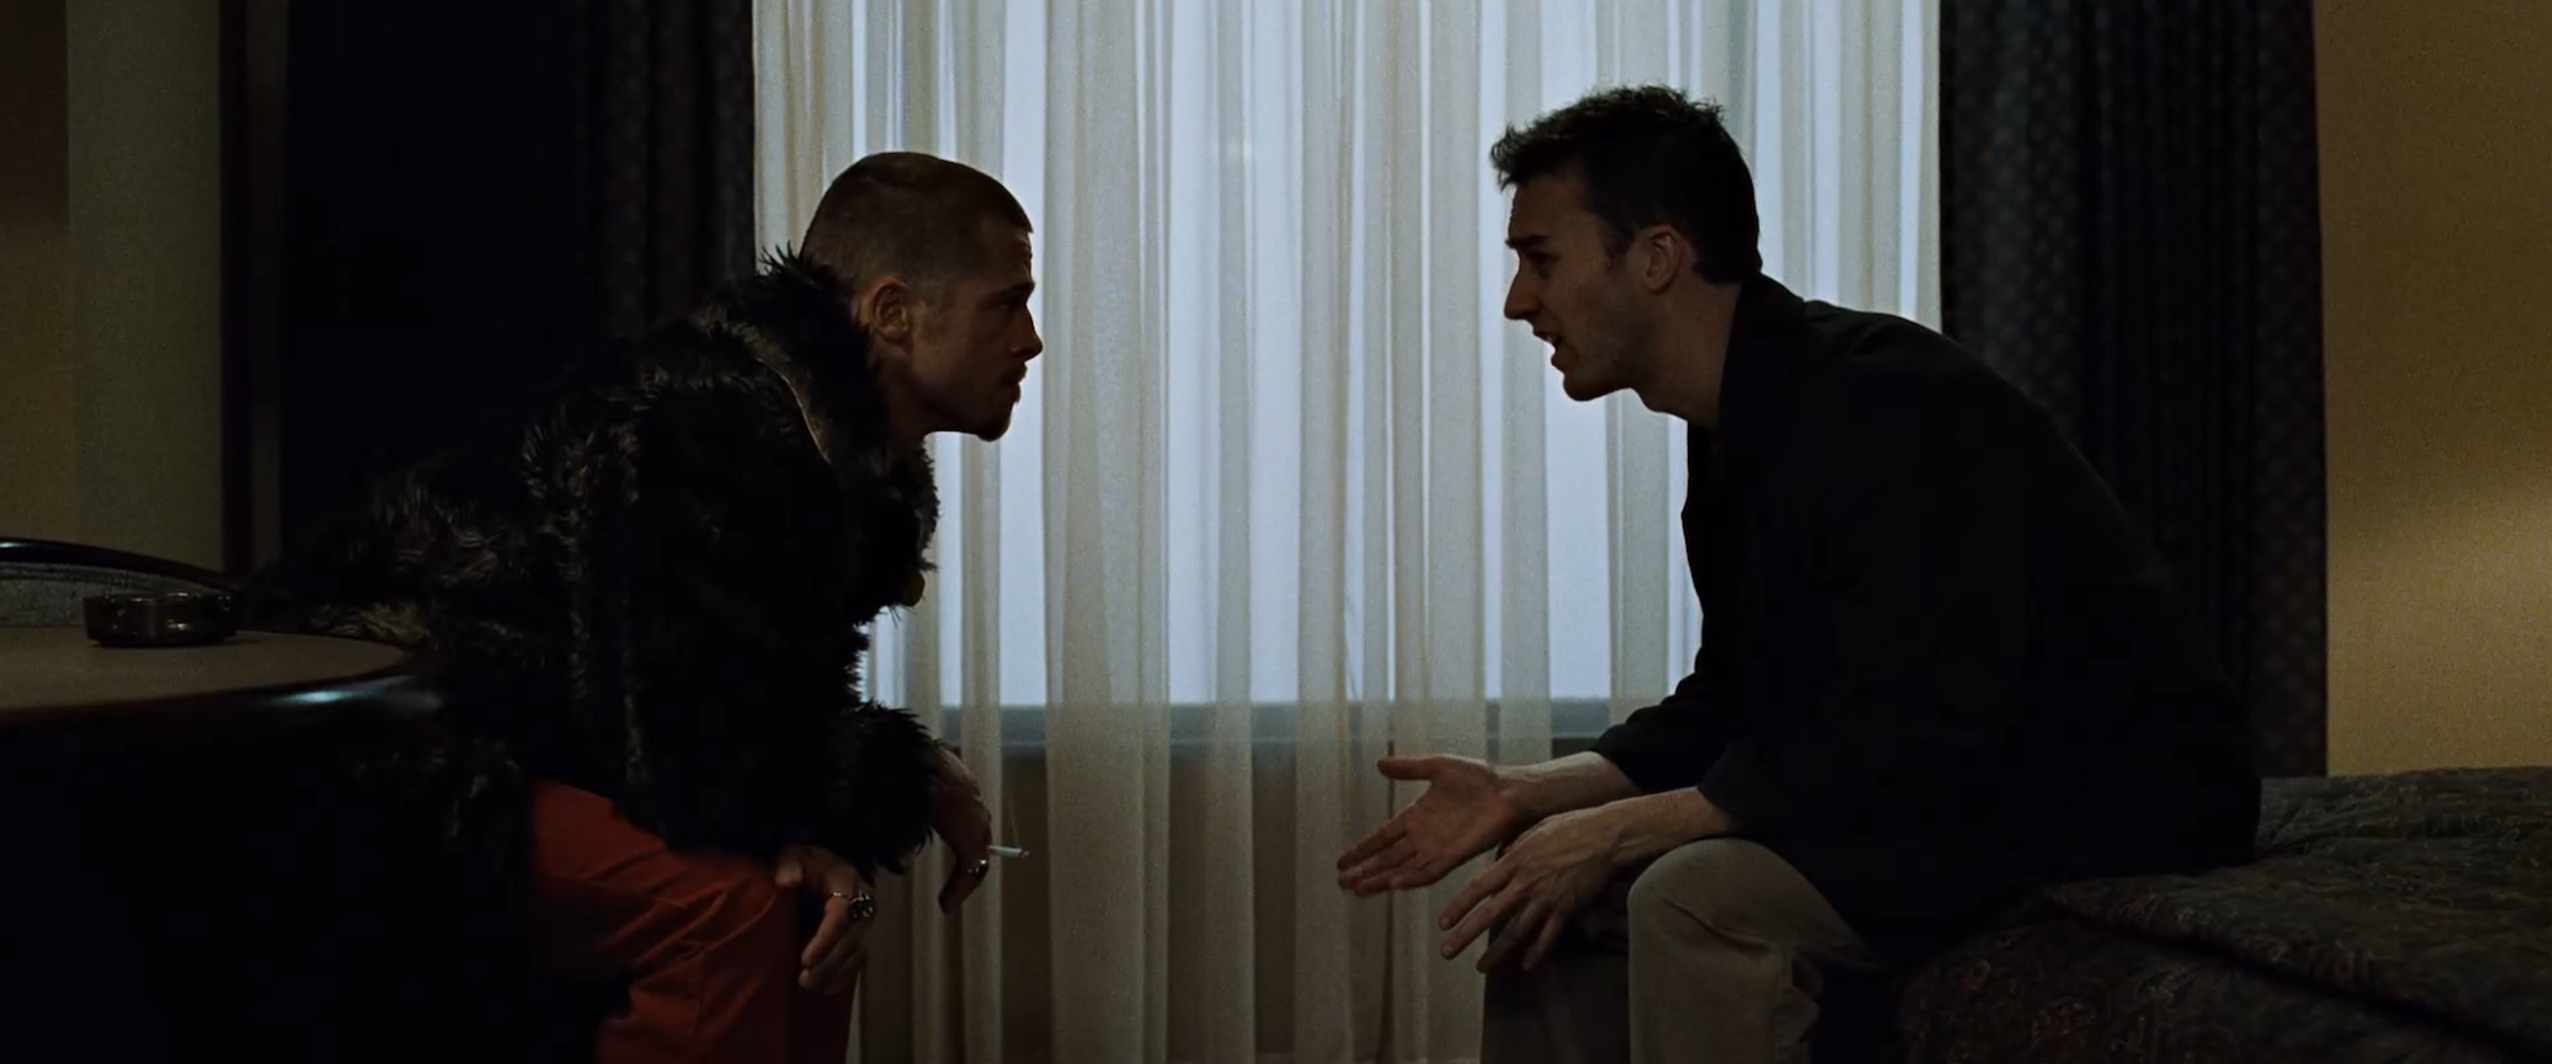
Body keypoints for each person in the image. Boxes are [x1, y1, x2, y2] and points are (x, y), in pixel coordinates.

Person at [1335, 86, 2260, 1063]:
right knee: (1556, 884)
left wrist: (1619, 829)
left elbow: (1917, 720)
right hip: (1954, 779)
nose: (1518, 301)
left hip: (2102, 797)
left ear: (1655, 256)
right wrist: (1531, 792)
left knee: (1692, 894)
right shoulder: (1734, 422)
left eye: (1540, 258)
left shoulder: (1886, 401)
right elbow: (1740, 696)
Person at [247, 151, 1042, 1064]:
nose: (1030, 341)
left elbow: (757, 715)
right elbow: (685, 754)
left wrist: (844, 819)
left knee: (814, 903)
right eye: (1006, 305)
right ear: (893, 313)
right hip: (387, 749)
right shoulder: (705, 429)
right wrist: (917, 776)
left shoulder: (837, 459)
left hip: (547, 744)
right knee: (727, 910)